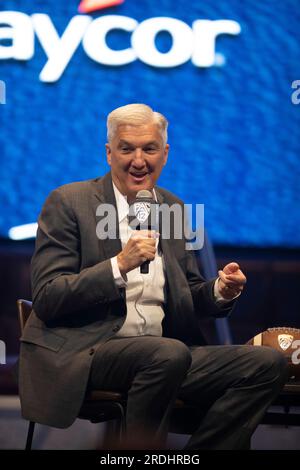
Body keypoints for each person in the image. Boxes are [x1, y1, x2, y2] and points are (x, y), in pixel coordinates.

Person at [19, 104, 288, 450]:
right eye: (126, 148)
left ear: (165, 153)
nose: (138, 160)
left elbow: (187, 294)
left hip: (168, 356)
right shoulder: (70, 202)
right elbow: (49, 296)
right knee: (165, 354)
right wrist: (119, 264)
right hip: (88, 351)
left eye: (149, 148)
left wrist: (221, 291)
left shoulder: (172, 208)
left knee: (266, 363)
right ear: (109, 153)